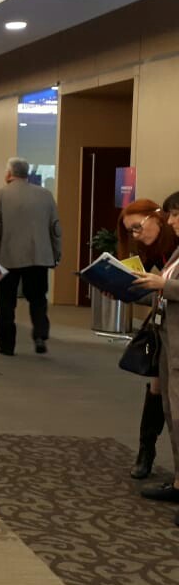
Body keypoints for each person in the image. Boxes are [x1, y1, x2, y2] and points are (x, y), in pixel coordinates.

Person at [116, 200, 177, 478]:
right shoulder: (151, 248)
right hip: (164, 323)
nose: (136, 235)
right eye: (131, 231)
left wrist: (161, 286)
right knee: (158, 387)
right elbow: (152, 291)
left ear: (158, 218)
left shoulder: (173, 243)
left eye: (138, 227)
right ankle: (146, 450)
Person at [130, 192, 179, 524]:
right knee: (171, 412)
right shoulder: (174, 251)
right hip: (168, 339)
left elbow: (169, 285)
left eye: (175, 214)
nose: (171, 221)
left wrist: (164, 284)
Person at [0, 157, 62, 356]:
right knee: (38, 298)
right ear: (27, 173)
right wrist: (56, 254)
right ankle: (40, 334)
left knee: (6, 302)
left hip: (7, 257)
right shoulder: (45, 195)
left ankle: (7, 345)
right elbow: (55, 228)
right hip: (39, 257)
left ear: (9, 174)